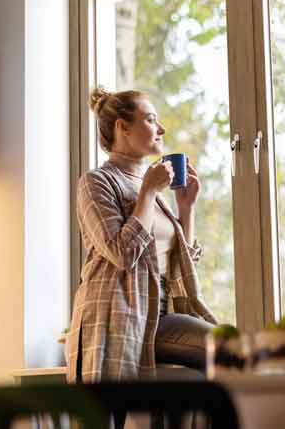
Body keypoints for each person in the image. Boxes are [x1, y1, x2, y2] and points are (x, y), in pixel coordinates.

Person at [65, 86, 217, 392]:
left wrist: (186, 209)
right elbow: (122, 253)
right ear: (123, 127)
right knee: (228, 352)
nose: (161, 129)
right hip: (117, 319)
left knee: (231, 352)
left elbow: (176, 264)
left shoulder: (152, 188)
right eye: (150, 120)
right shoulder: (97, 182)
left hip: (158, 316)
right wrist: (148, 192)